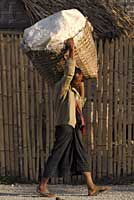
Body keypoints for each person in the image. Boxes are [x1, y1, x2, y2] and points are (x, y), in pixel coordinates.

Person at [37, 38, 109, 197]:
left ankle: (91, 186)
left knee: (82, 154)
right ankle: (42, 186)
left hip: (74, 127)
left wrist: (82, 83)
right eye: (78, 75)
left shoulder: (73, 93)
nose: (78, 76)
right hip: (64, 126)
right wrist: (71, 49)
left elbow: (80, 103)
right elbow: (69, 73)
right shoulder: (61, 88)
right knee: (57, 153)